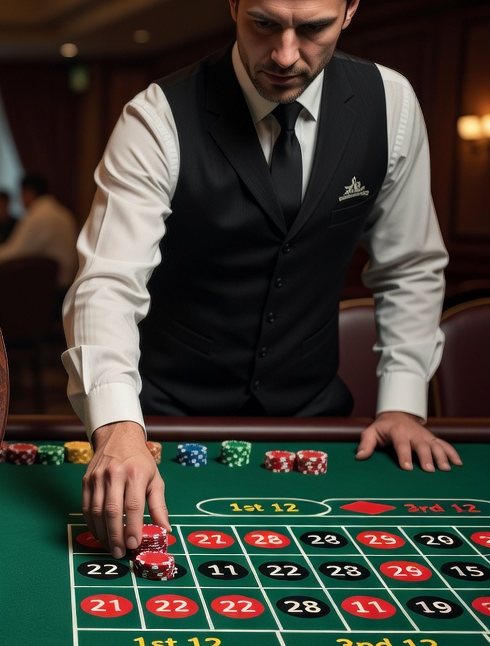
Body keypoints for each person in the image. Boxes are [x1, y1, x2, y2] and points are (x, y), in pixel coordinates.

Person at [62, 0, 461, 560]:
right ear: (232, 6)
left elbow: (410, 264)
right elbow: (106, 281)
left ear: (349, 11)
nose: (285, 54)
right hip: (168, 422)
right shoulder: (156, 116)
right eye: (264, 24)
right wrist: (117, 426)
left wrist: (402, 401)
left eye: (314, 28)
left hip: (311, 417)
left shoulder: (389, 104)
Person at [0, 174, 79, 286]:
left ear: (29, 193)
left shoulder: (36, 215)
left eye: (21, 194)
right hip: (67, 283)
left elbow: (16, 252)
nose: (21, 200)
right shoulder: (65, 213)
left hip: (47, 288)